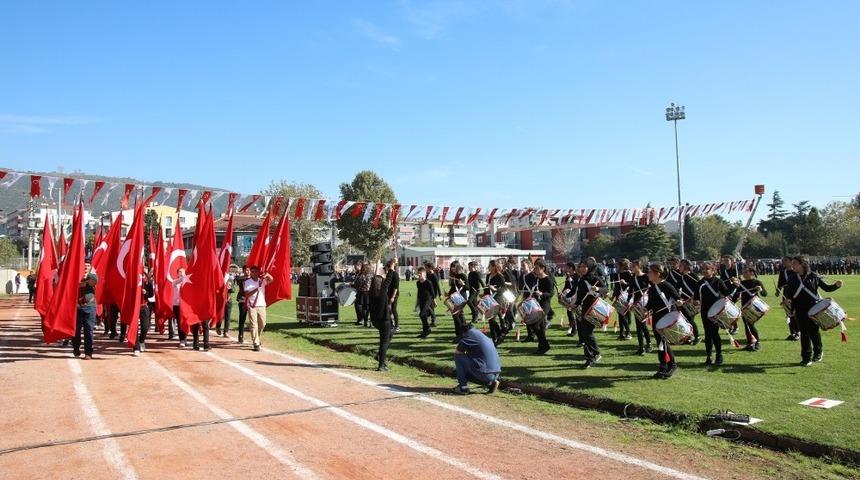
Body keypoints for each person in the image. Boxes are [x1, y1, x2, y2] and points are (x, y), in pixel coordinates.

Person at [786, 256, 842, 367]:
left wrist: (836, 286)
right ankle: (806, 357)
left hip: (814, 308)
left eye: (795, 263)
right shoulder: (792, 278)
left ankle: (818, 352)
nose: (792, 266)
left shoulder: (814, 276)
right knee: (804, 333)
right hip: (800, 309)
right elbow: (789, 293)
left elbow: (826, 288)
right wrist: (789, 305)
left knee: (814, 332)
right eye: (792, 264)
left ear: (802, 264)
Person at [645, 264, 683, 379]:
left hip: (667, 318)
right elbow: (650, 304)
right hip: (656, 318)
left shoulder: (667, 285)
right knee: (659, 343)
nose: (648, 274)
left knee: (664, 342)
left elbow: (676, 297)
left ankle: (672, 364)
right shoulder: (651, 288)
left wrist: (679, 301)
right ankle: (663, 366)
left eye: (650, 272)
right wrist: (645, 310)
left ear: (658, 273)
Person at [694, 262, 736, 366]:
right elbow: (696, 297)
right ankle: (709, 356)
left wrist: (734, 285)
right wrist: (696, 302)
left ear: (713, 270)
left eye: (707, 269)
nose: (704, 270)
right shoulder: (700, 283)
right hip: (705, 312)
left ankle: (719, 355)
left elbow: (726, 292)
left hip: (716, 312)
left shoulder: (718, 281)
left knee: (715, 334)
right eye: (703, 269)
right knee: (707, 335)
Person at [569, 261, 603, 368]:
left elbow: (606, 290)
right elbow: (580, 296)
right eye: (580, 267)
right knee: (584, 333)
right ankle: (591, 357)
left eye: (584, 267)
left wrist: (598, 289)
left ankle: (594, 354)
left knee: (587, 333)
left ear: (589, 267)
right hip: (584, 309)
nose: (582, 269)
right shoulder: (581, 280)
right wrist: (575, 304)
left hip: (595, 308)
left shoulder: (595, 278)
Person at [452, 322, 501, 395]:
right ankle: (491, 383)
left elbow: (458, 351)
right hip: (496, 373)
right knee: (471, 363)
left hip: (485, 374)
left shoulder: (468, 335)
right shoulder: (481, 334)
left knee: (458, 357)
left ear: (463, 332)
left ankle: (463, 388)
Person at [369, 262, 396, 371]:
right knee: (384, 342)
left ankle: (380, 356)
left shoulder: (371, 293)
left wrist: (377, 264)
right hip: (384, 320)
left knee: (390, 335)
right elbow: (389, 279)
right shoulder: (382, 291)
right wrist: (392, 267)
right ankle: (381, 365)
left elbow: (380, 279)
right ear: (381, 284)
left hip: (375, 320)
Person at [526, 259, 554, 354]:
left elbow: (551, 293)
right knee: (540, 327)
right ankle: (542, 347)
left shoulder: (548, 279)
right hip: (536, 303)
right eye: (535, 268)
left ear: (543, 268)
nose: (535, 270)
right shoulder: (537, 279)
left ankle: (544, 345)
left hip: (545, 304)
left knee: (536, 324)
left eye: (537, 268)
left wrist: (542, 294)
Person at [736, 267, 767, 351]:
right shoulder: (741, 283)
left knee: (750, 325)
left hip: (755, 306)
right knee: (747, 326)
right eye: (743, 272)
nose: (744, 273)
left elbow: (765, 294)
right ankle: (750, 343)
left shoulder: (757, 282)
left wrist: (760, 290)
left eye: (746, 272)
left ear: (751, 273)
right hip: (744, 307)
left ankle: (757, 343)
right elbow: (735, 295)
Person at [244, 266, 273, 352]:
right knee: (253, 324)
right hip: (252, 305)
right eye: (252, 271)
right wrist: (256, 289)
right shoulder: (247, 282)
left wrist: (267, 275)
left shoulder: (262, 280)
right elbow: (247, 295)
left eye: (255, 271)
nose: (253, 273)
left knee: (263, 324)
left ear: (258, 272)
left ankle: (257, 337)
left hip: (261, 305)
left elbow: (271, 279)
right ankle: (256, 343)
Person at [73, 260, 98, 360]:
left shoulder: (93, 275)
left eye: (88, 265)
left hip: (90, 307)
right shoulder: (75, 274)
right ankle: (76, 348)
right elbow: (75, 285)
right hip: (77, 307)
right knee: (76, 331)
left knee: (89, 331)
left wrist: (86, 279)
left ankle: (88, 353)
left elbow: (93, 282)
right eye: (85, 265)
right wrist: (81, 281)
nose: (86, 266)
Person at [628, 260, 652, 356]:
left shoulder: (646, 276)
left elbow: (652, 287)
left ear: (638, 266)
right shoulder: (633, 278)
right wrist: (628, 301)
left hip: (645, 303)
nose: (632, 268)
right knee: (639, 326)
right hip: (636, 303)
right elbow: (631, 290)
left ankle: (649, 344)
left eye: (633, 266)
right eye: (631, 266)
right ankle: (641, 347)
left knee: (642, 324)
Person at [775, 256, 800, 341]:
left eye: (785, 261)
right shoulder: (783, 272)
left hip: (795, 295)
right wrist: (777, 291)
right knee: (789, 314)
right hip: (786, 294)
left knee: (795, 314)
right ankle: (792, 332)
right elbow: (780, 283)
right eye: (783, 261)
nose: (784, 262)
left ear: (791, 261)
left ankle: (798, 332)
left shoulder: (796, 272)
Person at [677, 260, 702, 345]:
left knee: (690, 320)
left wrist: (695, 298)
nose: (679, 267)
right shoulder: (681, 277)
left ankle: (697, 336)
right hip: (684, 302)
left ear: (686, 266)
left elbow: (699, 287)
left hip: (693, 301)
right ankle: (688, 338)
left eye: (680, 265)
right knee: (685, 320)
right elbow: (678, 289)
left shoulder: (693, 276)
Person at [133, 271, 154, 356]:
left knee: (145, 326)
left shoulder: (146, 280)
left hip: (144, 306)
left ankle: (142, 340)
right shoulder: (132, 276)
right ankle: (136, 348)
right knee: (134, 328)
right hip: (134, 306)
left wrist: (146, 293)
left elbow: (151, 294)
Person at [447, 262, 468, 342]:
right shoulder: (454, 276)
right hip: (455, 297)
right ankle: (464, 332)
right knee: (460, 315)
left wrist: (463, 284)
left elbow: (467, 287)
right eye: (451, 267)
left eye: (454, 266)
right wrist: (448, 294)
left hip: (461, 297)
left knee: (455, 315)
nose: (452, 268)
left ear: (457, 267)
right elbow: (453, 288)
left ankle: (460, 335)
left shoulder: (463, 275)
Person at [613, 259, 633, 342]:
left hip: (625, 297)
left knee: (623, 315)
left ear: (621, 266)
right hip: (618, 296)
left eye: (617, 265)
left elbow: (632, 285)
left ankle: (628, 333)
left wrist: (625, 283)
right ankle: (621, 334)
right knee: (620, 316)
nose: (616, 267)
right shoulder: (617, 275)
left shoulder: (628, 273)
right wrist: (613, 295)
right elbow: (616, 287)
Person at [216, 265, 237, 336]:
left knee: (227, 316)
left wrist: (228, 298)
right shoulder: (218, 278)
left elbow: (232, 290)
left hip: (228, 299)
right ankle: (218, 326)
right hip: (220, 300)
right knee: (220, 315)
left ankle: (226, 331)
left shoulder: (230, 279)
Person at [415, 267, 435, 339]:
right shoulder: (418, 283)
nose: (419, 274)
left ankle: (428, 329)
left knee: (422, 314)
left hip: (428, 299)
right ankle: (425, 331)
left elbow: (432, 293)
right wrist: (417, 302)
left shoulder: (428, 282)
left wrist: (434, 301)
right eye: (418, 273)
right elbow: (419, 293)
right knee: (422, 315)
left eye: (421, 273)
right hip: (421, 300)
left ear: (424, 274)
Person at [171, 268, 189, 347]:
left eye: (183, 271)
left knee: (186, 322)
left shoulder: (187, 281)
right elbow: (178, 281)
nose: (181, 273)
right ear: (177, 273)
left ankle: (185, 338)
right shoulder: (175, 282)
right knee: (180, 322)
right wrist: (184, 277)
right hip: (177, 305)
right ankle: (181, 339)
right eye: (180, 271)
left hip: (185, 305)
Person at [562, 262, 579, 340]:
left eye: (567, 267)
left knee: (574, 314)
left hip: (576, 298)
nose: (565, 269)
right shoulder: (567, 276)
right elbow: (566, 286)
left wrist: (571, 280)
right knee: (569, 313)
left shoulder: (577, 276)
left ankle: (575, 330)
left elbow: (577, 286)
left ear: (571, 268)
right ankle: (573, 329)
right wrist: (562, 293)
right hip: (569, 298)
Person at [352, 262, 371, 327]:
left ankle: (364, 321)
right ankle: (365, 321)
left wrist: (352, 285)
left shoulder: (362, 275)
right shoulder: (370, 275)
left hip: (362, 293)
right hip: (369, 292)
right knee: (367, 307)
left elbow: (357, 285)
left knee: (362, 308)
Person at [424, 261, 442, 327]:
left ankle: (433, 319)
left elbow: (437, 285)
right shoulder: (427, 274)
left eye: (426, 268)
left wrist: (440, 294)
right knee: (430, 306)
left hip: (433, 293)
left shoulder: (434, 276)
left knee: (429, 306)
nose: (425, 269)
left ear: (430, 268)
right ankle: (432, 320)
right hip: (428, 293)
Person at [385, 258, 401, 333]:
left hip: (394, 294)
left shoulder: (395, 275)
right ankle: (391, 324)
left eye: (387, 268)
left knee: (394, 310)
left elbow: (396, 287)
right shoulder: (389, 274)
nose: (386, 269)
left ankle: (397, 326)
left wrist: (393, 297)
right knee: (388, 309)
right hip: (388, 294)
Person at [235, 265, 249, 343]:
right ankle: (240, 335)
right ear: (243, 271)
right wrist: (245, 277)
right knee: (242, 318)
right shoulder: (241, 279)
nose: (248, 272)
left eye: (249, 270)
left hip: (251, 301)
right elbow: (237, 279)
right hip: (242, 300)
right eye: (246, 270)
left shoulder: (252, 279)